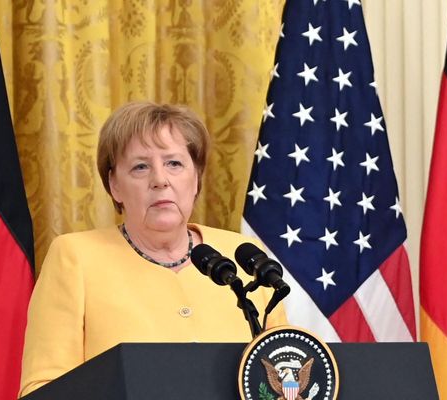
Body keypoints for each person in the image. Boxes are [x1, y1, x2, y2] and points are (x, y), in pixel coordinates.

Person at [19, 102, 287, 396]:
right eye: (140, 167)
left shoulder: (241, 254)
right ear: (114, 185)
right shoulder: (75, 258)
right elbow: (42, 389)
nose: (160, 180)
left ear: (196, 178)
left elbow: (287, 367)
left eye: (174, 164)